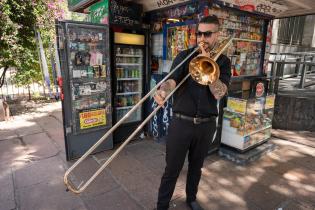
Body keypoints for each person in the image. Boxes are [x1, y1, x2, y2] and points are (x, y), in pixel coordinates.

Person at [154, 15, 231, 210]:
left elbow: (219, 93)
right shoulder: (184, 56)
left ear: (217, 35)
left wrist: (208, 66)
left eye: (207, 34)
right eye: (199, 33)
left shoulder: (223, 62)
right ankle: (162, 205)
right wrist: (163, 90)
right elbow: (172, 80)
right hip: (181, 123)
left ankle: (191, 199)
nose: (202, 38)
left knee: (196, 167)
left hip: (206, 124)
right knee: (172, 169)